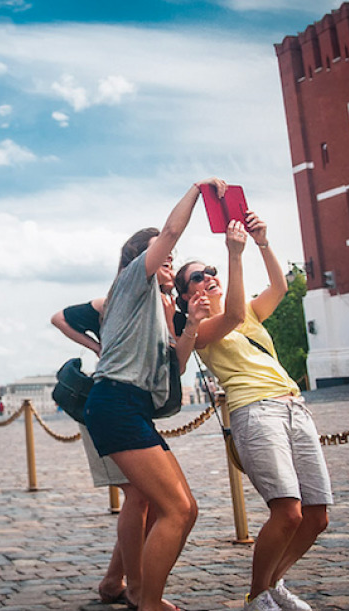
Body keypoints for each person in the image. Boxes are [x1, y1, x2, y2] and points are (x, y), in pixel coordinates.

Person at [175, 211, 331, 611]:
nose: (209, 275)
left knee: (317, 516)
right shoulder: (197, 328)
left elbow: (281, 285)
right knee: (288, 512)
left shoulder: (248, 310)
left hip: (294, 405)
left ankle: (275, 583)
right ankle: (258, 594)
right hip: (254, 411)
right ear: (186, 293)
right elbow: (232, 316)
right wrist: (234, 255)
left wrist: (261, 242)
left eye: (211, 270)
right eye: (198, 275)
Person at [82, 178, 225, 611]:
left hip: (133, 409)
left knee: (185, 509)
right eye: (164, 257)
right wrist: (198, 191)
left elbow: (175, 368)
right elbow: (170, 233)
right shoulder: (130, 281)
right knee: (177, 509)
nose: (170, 263)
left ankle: (139, 591)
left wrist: (192, 323)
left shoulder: (155, 310)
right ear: (141, 257)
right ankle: (147, 601)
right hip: (115, 403)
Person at [52, 282, 209, 605]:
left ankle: (115, 581)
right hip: (109, 406)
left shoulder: (167, 310)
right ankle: (136, 588)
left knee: (149, 499)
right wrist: (96, 348)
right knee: (139, 496)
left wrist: (178, 322)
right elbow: (59, 318)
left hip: (134, 411)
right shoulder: (120, 300)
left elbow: (175, 366)